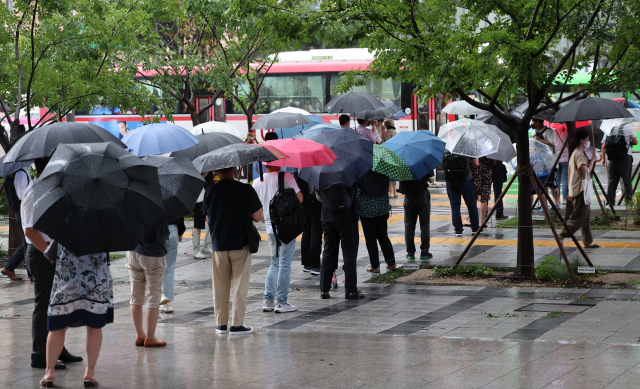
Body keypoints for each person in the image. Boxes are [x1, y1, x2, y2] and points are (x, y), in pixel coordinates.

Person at [23, 158, 82, 370]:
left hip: (50, 251)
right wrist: (49, 253)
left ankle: (57, 349)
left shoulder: (47, 188)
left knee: (57, 304)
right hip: (41, 253)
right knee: (44, 305)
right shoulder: (34, 191)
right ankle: (39, 355)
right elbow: (29, 230)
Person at [40, 245, 113, 387]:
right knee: (94, 326)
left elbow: (51, 251)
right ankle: (89, 373)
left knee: (58, 327)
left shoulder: (64, 223)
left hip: (67, 279)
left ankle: (49, 372)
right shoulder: (104, 225)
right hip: (96, 281)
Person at [203, 166, 263, 335]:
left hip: (219, 245)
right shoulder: (245, 189)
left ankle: (220, 324)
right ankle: (237, 325)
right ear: (235, 170)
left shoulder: (210, 191)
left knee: (220, 286)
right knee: (240, 285)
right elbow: (257, 216)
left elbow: (207, 217)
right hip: (241, 243)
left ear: (216, 171)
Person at [253, 164, 303, 313]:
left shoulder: (257, 182)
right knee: (285, 264)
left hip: (269, 227)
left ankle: (267, 300)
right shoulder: (286, 177)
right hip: (286, 227)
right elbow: (300, 198)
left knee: (274, 263)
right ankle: (281, 302)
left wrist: (266, 220)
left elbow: (255, 208)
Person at [127, 224, 170, 348]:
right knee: (153, 295)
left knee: (135, 295)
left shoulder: (130, 206)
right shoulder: (157, 209)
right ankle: (150, 337)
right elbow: (162, 235)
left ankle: (140, 335)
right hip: (152, 253)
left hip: (132, 252)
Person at [318, 183, 363, 300]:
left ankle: (324, 290)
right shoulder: (349, 171)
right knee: (349, 253)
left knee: (328, 251)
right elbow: (358, 190)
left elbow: (318, 195)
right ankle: (351, 290)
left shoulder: (321, 172)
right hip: (347, 216)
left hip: (328, 215)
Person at [559, 131, 599, 248]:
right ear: (582, 140)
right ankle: (561, 235)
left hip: (578, 188)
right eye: (587, 139)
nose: (588, 142)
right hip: (580, 189)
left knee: (585, 216)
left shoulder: (577, 153)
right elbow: (586, 171)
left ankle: (588, 241)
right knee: (579, 217)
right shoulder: (579, 154)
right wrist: (593, 160)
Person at [359, 170, 396, 273]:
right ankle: (391, 262)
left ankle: (375, 266)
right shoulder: (382, 168)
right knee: (383, 235)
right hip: (382, 207)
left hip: (367, 208)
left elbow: (359, 188)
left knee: (370, 238)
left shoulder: (362, 169)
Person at [2, 164, 31, 281]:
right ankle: (31, 273)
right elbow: (22, 195)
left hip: (22, 210)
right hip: (23, 210)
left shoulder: (21, 172)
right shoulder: (20, 174)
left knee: (27, 242)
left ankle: (9, 267)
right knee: (28, 242)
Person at [444, 151, 480, 236]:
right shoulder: (468, 147)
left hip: (451, 181)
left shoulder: (446, 148)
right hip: (466, 180)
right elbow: (476, 163)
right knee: (471, 204)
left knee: (455, 206)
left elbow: (440, 165)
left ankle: (458, 230)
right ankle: (475, 228)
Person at [400, 172, 434, 261]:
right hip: (422, 195)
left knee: (409, 225)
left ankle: (410, 253)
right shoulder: (425, 161)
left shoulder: (402, 162)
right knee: (425, 225)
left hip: (408, 197)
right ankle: (424, 251)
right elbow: (431, 180)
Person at [602, 125, 638, 203]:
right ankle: (629, 204)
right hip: (625, 157)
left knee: (612, 182)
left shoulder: (609, 127)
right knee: (627, 181)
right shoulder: (628, 127)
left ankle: (610, 204)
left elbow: (604, 144)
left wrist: (603, 159)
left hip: (612, 158)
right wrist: (628, 143)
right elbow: (635, 142)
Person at [297, 176, 322, 275]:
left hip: (305, 202)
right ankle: (315, 265)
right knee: (316, 233)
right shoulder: (319, 170)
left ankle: (307, 263)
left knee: (306, 232)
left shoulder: (303, 171)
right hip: (317, 202)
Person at [160, 218, 185, 314]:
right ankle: (167, 303)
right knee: (169, 269)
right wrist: (180, 232)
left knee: (155, 268)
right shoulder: (173, 202)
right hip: (173, 229)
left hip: (156, 231)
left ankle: (160, 297)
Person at [532, 118, 560, 205]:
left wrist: (539, 140)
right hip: (540, 163)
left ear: (537, 123)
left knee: (552, 184)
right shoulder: (534, 133)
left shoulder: (549, 131)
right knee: (542, 184)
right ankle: (545, 204)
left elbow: (553, 143)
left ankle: (556, 202)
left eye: (533, 122)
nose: (531, 123)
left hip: (550, 162)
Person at [191, 173, 213, 259]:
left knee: (211, 219)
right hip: (199, 196)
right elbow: (197, 179)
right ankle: (195, 250)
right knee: (198, 222)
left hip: (208, 192)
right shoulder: (197, 165)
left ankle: (207, 246)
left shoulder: (207, 162)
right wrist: (206, 172)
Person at [471, 157, 496, 224]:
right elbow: (494, 162)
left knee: (474, 198)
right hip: (487, 174)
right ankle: (482, 222)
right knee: (484, 198)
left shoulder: (474, 148)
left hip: (475, 174)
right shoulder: (489, 149)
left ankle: (473, 220)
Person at [554, 125, 570, 205]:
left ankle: (557, 200)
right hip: (566, 158)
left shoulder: (554, 131)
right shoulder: (568, 132)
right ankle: (565, 198)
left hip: (556, 159)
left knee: (557, 179)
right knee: (565, 180)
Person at [383, 119, 399, 198]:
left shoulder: (388, 132)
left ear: (386, 125)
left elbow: (386, 144)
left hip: (389, 155)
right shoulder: (395, 132)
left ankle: (391, 192)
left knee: (389, 174)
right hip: (395, 155)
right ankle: (395, 191)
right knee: (394, 173)